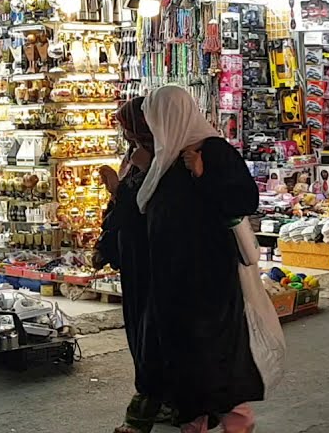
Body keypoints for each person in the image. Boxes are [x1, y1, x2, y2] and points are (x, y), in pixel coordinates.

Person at [133, 85, 263, 433]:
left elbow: (244, 200)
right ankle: (196, 419)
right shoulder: (166, 156)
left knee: (214, 351)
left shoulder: (212, 149)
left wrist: (202, 175)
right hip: (173, 277)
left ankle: (237, 420)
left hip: (207, 277)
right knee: (185, 352)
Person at [95, 97, 170, 433]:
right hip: (134, 257)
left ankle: (144, 411)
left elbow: (135, 207)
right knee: (140, 328)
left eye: (127, 125)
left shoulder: (164, 158)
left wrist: (120, 184)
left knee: (150, 333)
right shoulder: (141, 155)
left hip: (152, 258)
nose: (124, 133)